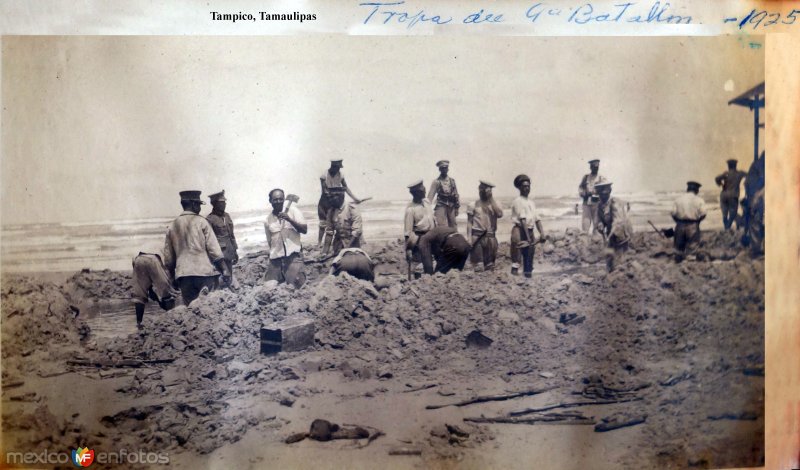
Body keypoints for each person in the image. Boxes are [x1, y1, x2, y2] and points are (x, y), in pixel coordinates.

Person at [163, 191, 230, 305]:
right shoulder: (202, 222)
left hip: (184, 275)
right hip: (203, 272)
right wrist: (224, 269)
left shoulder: (172, 225)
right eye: (199, 204)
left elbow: (169, 259)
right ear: (194, 204)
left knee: (191, 309)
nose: (199, 207)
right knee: (207, 307)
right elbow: (214, 250)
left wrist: (171, 277)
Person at [264, 188, 308, 288]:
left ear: (284, 199)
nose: (278, 201)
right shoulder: (267, 220)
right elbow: (270, 242)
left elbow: (304, 230)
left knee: (295, 285)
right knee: (268, 287)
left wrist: (289, 219)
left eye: (280, 199)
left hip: (293, 257)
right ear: (270, 201)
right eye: (275, 199)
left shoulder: (293, 211)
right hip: (276, 259)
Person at [319, 159, 362, 253]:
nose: (338, 169)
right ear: (333, 166)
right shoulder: (324, 175)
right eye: (337, 167)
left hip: (352, 245)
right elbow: (324, 191)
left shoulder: (351, 208)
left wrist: (355, 198)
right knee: (323, 223)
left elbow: (345, 187)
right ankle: (320, 245)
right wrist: (324, 253)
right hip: (327, 198)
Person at [510, 174, 546, 277]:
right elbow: (522, 220)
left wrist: (542, 233)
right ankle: (514, 283)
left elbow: (537, 219)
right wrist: (527, 237)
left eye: (528, 186)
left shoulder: (531, 202)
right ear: (519, 188)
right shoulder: (517, 201)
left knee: (529, 259)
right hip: (519, 231)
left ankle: (527, 280)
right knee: (516, 259)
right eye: (524, 186)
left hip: (529, 231)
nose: (526, 188)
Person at [131, 251, 178, 328]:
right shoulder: (163, 250)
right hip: (154, 259)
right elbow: (169, 268)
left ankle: (139, 323)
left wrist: (150, 290)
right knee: (166, 291)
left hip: (138, 259)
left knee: (139, 295)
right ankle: (172, 319)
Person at [595, 181, 633, 272]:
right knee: (609, 257)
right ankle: (610, 273)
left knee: (621, 259)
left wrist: (609, 236)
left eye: (604, 194)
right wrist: (600, 225)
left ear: (609, 192)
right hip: (610, 234)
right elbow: (600, 219)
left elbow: (617, 222)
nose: (602, 196)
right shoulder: (600, 205)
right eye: (600, 193)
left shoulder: (614, 203)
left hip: (621, 234)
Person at [466, 180, 504, 272]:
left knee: (490, 267)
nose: (481, 192)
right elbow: (469, 222)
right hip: (477, 237)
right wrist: (469, 239)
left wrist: (491, 199)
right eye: (480, 190)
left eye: (484, 190)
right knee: (478, 267)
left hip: (491, 237)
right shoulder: (473, 204)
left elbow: (499, 214)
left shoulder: (496, 204)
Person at [206, 190, 239, 289]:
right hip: (219, 255)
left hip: (229, 252)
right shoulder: (210, 219)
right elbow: (210, 240)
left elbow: (231, 235)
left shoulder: (227, 216)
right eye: (221, 202)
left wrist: (235, 251)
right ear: (214, 204)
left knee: (229, 275)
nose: (224, 204)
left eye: (224, 202)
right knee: (222, 277)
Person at [404, 180, 436, 277]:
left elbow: (432, 218)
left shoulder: (426, 202)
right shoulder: (410, 209)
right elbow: (408, 231)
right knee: (420, 267)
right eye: (422, 191)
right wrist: (408, 249)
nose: (425, 192)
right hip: (419, 239)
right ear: (415, 193)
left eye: (424, 189)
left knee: (432, 265)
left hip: (432, 237)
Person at [671, 181, 707, 261]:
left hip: (680, 224)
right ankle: (689, 264)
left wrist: (678, 221)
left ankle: (678, 262)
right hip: (693, 224)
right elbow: (703, 213)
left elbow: (673, 213)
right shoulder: (699, 200)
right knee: (692, 248)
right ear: (696, 190)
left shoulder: (678, 200)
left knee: (678, 249)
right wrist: (698, 222)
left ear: (687, 189)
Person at [714, 159, 747, 230]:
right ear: (735, 165)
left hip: (723, 195)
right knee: (733, 214)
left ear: (728, 166)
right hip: (733, 195)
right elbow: (749, 175)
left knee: (724, 214)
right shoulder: (739, 173)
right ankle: (727, 228)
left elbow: (716, 178)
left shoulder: (726, 173)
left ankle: (726, 228)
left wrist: (721, 184)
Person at [329, 191, 364, 256]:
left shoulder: (352, 208)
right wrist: (324, 252)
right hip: (338, 244)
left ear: (341, 196)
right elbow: (329, 232)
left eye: (332, 197)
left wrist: (346, 249)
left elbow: (356, 232)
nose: (329, 199)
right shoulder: (331, 211)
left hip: (354, 244)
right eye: (329, 197)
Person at [427, 160, 460, 228]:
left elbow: (456, 194)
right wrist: (427, 210)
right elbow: (430, 197)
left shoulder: (452, 181)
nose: (444, 170)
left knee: (453, 226)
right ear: (439, 169)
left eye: (445, 168)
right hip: (441, 204)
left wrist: (457, 207)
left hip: (451, 205)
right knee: (441, 226)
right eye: (442, 168)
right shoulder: (436, 182)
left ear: (448, 169)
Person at [578, 159, 607, 234]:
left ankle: (596, 242)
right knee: (585, 225)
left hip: (597, 204)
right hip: (586, 203)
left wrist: (599, 192)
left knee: (596, 226)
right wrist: (583, 193)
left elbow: (607, 189)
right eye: (594, 167)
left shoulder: (601, 178)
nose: (595, 169)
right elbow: (580, 188)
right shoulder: (586, 177)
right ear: (590, 167)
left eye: (597, 167)